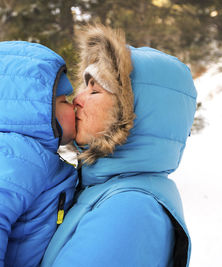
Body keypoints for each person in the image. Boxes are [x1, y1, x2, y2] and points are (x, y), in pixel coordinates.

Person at [41, 24, 196, 267]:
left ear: (134, 113)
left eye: (95, 91)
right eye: (84, 87)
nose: (78, 99)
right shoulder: (107, 190)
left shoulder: (130, 209)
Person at [0, 41, 77, 267]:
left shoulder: (31, 154)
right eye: (64, 101)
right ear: (38, 111)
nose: (74, 106)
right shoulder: (16, 155)